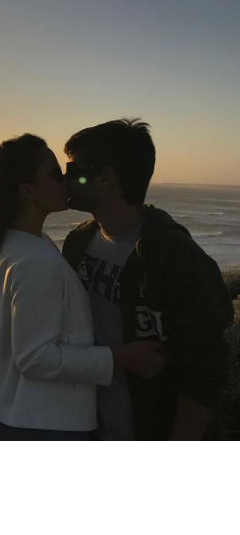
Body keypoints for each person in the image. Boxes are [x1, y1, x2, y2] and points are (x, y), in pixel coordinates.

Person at [0, 133, 166, 441]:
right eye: (56, 173)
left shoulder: (20, 244)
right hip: (48, 423)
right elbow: (35, 358)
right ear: (28, 189)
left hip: (26, 416)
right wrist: (120, 357)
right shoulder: (35, 260)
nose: (67, 181)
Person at [62, 118, 235, 440]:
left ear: (105, 177)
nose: (65, 179)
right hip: (89, 426)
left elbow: (207, 372)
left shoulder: (178, 259)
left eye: (74, 169)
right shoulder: (77, 243)